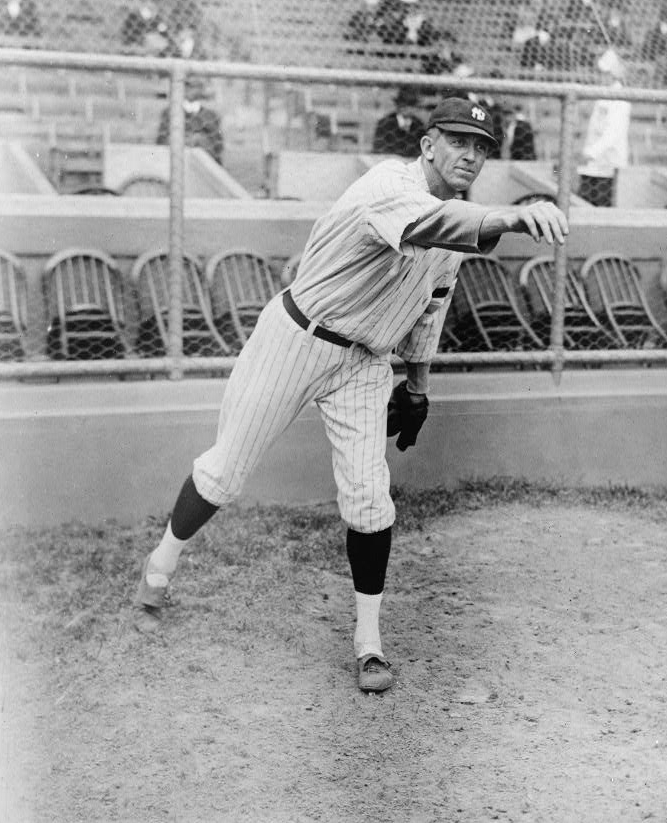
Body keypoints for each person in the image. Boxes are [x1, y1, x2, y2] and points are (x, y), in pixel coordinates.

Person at [134, 96, 568, 694]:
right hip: (296, 337)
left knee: (370, 501)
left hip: (365, 361)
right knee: (224, 474)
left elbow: (430, 308)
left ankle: (369, 643)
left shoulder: (458, 222)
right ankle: (162, 562)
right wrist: (513, 218)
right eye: (458, 140)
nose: (470, 154)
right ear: (427, 145)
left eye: (482, 147)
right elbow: (429, 226)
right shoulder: (388, 185)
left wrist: (416, 387)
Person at [577, 49, 631, 207]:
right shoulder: (604, 94)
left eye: (604, 73)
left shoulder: (620, 98)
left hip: (608, 166)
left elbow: (613, 133)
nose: (599, 76)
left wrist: (590, 153)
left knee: (600, 208)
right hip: (592, 166)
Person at [156, 79, 224, 166]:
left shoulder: (210, 115)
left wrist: (199, 140)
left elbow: (218, 146)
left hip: (203, 166)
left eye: (193, 86)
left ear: (201, 89)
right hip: (175, 163)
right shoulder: (170, 112)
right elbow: (161, 143)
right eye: (186, 86)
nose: (189, 89)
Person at [372, 85, 425, 157]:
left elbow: (422, 151)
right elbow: (378, 148)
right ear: (397, 105)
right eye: (403, 103)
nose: (405, 107)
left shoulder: (419, 126)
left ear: (415, 107)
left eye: (410, 104)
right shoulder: (385, 124)